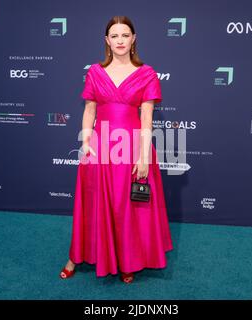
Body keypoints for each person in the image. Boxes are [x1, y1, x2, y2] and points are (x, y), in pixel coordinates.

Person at [60, 15, 173, 284]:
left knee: (127, 207)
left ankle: (127, 260)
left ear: (133, 39)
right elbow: (89, 109)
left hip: (131, 147)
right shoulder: (96, 73)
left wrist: (144, 155)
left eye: (125, 35)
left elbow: (147, 118)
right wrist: (86, 141)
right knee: (94, 204)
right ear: (107, 41)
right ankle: (75, 256)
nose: (120, 40)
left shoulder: (147, 74)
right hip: (99, 149)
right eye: (115, 36)